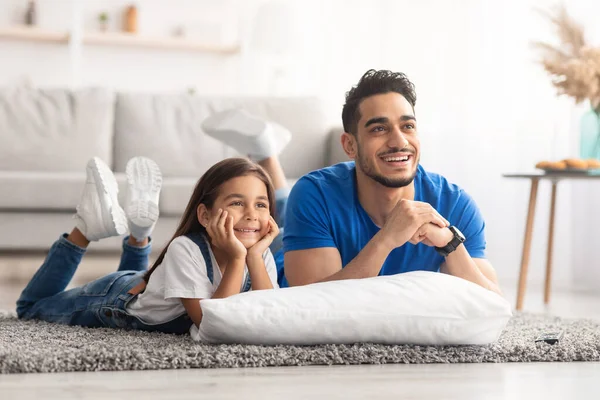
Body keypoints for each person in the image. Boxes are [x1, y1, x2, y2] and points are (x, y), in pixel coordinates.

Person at [16, 111, 292, 334]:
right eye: (236, 203)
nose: (252, 214)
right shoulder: (186, 248)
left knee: (142, 285)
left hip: (146, 286)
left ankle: (139, 237)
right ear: (205, 215)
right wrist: (236, 259)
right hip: (115, 300)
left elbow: (268, 315)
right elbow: (212, 325)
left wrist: (253, 257)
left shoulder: (259, 253)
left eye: (261, 204)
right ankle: (84, 230)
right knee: (29, 309)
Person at [282, 69, 502, 295]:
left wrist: (449, 243)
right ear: (350, 145)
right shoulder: (314, 194)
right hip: (283, 265)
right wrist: (386, 239)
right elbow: (314, 304)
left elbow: (494, 304)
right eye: (379, 129)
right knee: (273, 206)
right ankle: (268, 157)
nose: (399, 142)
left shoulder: (454, 204)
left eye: (408, 126)